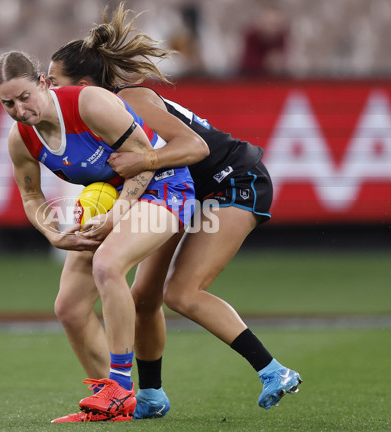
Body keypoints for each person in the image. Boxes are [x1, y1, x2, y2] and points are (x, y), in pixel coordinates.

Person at [47, 3, 302, 423]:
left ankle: (274, 371)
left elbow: (194, 149)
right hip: (181, 193)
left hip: (232, 180)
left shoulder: (131, 100)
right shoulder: (91, 116)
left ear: (85, 84)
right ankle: (150, 397)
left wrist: (139, 164)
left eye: (56, 82)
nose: (49, 91)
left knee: (182, 293)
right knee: (142, 298)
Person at [0, 49, 208, 422]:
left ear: (43, 83)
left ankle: (120, 387)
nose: (20, 110)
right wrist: (53, 233)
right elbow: (31, 195)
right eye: (8, 103)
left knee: (107, 264)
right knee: (68, 307)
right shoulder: (21, 138)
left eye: (24, 97)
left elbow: (143, 159)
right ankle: (113, 403)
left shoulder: (89, 104)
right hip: (117, 198)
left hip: (164, 187)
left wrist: (118, 213)